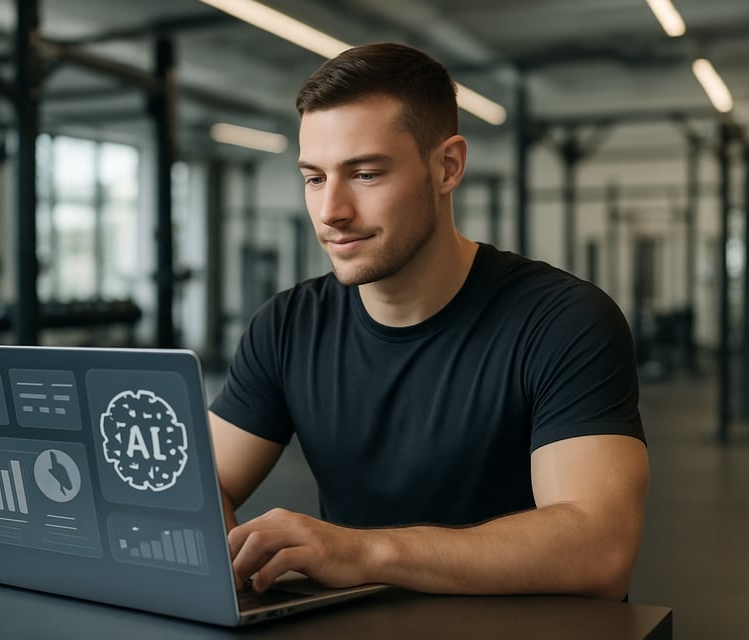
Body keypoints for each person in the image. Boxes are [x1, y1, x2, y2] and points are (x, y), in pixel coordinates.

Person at [208, 42, 648, 602]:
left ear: (447, 166)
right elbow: (201, 484)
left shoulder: (563, 322)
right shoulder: (288, 324)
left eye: (365, 174)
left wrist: (363, 552)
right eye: (314, 178)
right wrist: (219, 569)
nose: (330, 211)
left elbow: (599, 546)